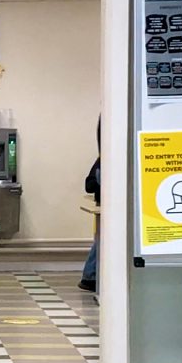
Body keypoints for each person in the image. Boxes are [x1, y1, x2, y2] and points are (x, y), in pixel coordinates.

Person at [79, 117, 100, 292]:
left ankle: (91, 275)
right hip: (106, 207)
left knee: (101, 241)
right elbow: (90, 184)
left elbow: (89, 184)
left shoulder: (102, 160)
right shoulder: (104, 161)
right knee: (102, 241)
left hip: (104, 206)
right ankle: (90, 275)